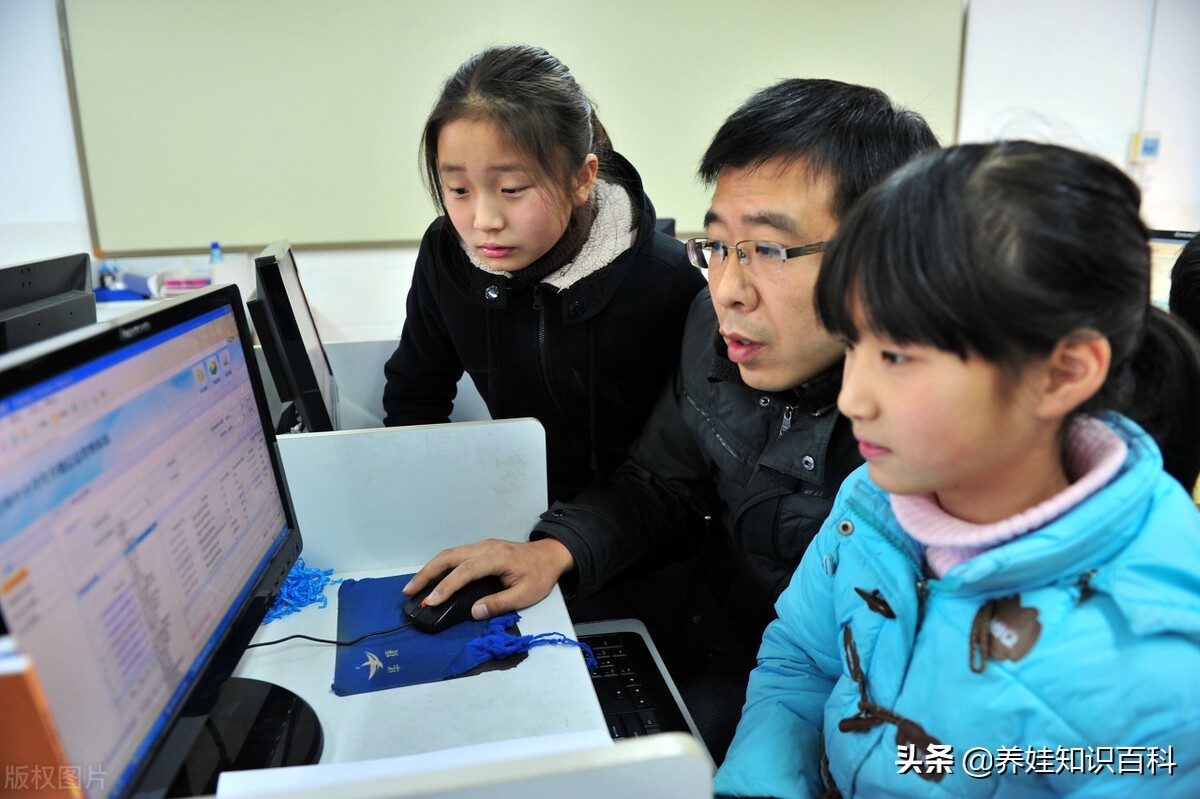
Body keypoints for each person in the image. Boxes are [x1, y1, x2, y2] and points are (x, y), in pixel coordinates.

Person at [403, 78, 939, 762]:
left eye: (768, 250)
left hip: (824, 700)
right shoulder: (710, 331)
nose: (728, 290)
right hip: (721, 640)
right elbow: (661, 479)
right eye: (717, 246)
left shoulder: (932, 441)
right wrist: (552, 551)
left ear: (886, 260)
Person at [715, 141, 1200, 798]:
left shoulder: (1156, 673)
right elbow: (800, 660)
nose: (853, 399)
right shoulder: (873, 501)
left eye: (897, 356)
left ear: (1063, 373)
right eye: (853, 343)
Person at [382, 45, 705, 503]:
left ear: (581, 179)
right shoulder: (445, 255)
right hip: (515, 512)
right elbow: (415, 396)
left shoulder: (666, 279)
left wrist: (570, 536)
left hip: (637, 521)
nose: (484, 220)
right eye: (458, 189)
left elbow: (685, 462)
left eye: (512, 189)